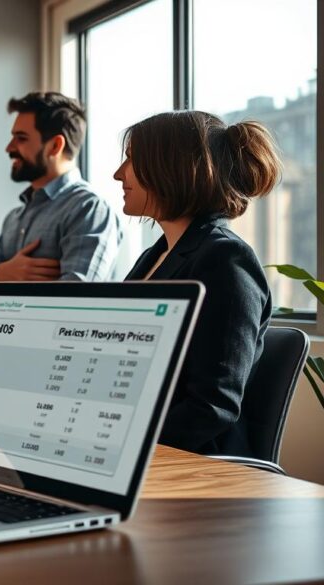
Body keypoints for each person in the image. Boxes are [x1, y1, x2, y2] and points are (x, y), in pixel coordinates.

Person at [114, 110, 280, 455]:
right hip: (133, 445)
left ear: (169, 168)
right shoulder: (153, 257)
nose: (119, 174)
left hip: (195, 461)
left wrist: (121, 448)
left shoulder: (226, 260)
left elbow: (212, 406)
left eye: (131, 160)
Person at [0, 92, 121, 282]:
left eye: (21, 138)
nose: (9, 148)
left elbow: (78, 294)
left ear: (55, 146)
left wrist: (4, 284)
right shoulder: (12, 219)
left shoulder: (89, 209)